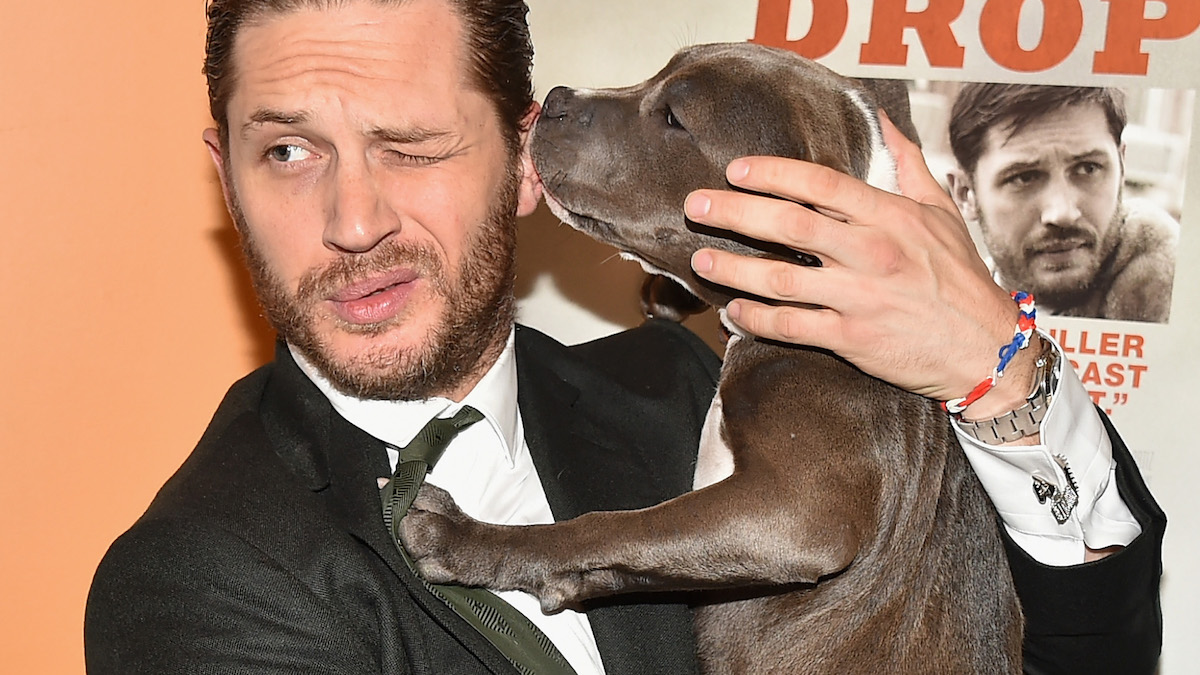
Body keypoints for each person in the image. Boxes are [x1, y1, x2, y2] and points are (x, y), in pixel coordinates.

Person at [84, 1, 1165, 673]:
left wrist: (996, 363)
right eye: (287, 153)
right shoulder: (199, 575)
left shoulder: (685, 378)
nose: (353, 220)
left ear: (526, 165)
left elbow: (1086, 653)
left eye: (410, 147)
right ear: (221, 172)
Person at [945, 83, 1178, 323]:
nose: (1063, 213)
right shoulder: (946, 320)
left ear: (1122, 166)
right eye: (1024, 178)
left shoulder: (1179, 301)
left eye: (1088, 168)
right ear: (965, 194)